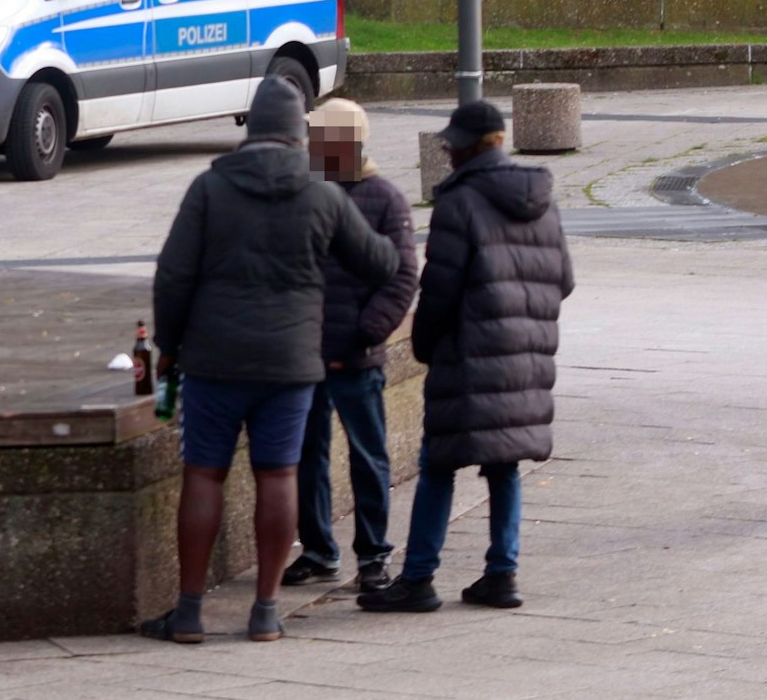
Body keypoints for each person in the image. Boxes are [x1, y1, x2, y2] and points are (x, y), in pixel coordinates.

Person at [143, 77, 399, 645]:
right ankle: (264, 612)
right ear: (298, 134)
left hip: (213, 363)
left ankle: (188, 613)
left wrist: (169, 348)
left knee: (203, 474)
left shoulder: (210, 188)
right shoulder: (324, 194)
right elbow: (382, 263)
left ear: (252, 128)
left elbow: (173, 275)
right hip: (289, 365)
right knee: (279, 474)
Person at [360, 100, 572, 614]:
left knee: (438, 464)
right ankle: (502, 575)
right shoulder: (541, 199)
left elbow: (439, 290)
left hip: (470, 355)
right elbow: (563, 279)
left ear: (470, 147)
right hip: (525, 357)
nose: (447, 151)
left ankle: (418, 578)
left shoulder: (459, 202)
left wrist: (425, 346)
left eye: (452, 143)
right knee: (503, 464)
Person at [283, 98, 419, 594]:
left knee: (367, 455)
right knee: (305, 454)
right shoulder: (305, 192)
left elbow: (404, 277)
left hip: (356, 354)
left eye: (321, 138)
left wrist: (366, 332)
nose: (312, 146)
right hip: (305, 352)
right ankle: (318, 550)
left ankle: (373, 554)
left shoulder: (383, 197)